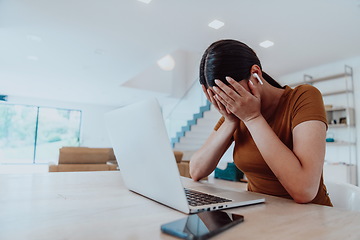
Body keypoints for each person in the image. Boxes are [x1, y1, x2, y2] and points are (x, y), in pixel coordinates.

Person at [189, 39, 332, 206]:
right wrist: (229, 122)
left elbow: (304, 191)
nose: (227, 101)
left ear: (255, 73)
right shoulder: (236, 112)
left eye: (230, 92)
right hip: (260, 214)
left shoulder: (303, 97)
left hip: (309, 217)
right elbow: (196, 171)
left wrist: (253, 119)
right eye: (218, 96)